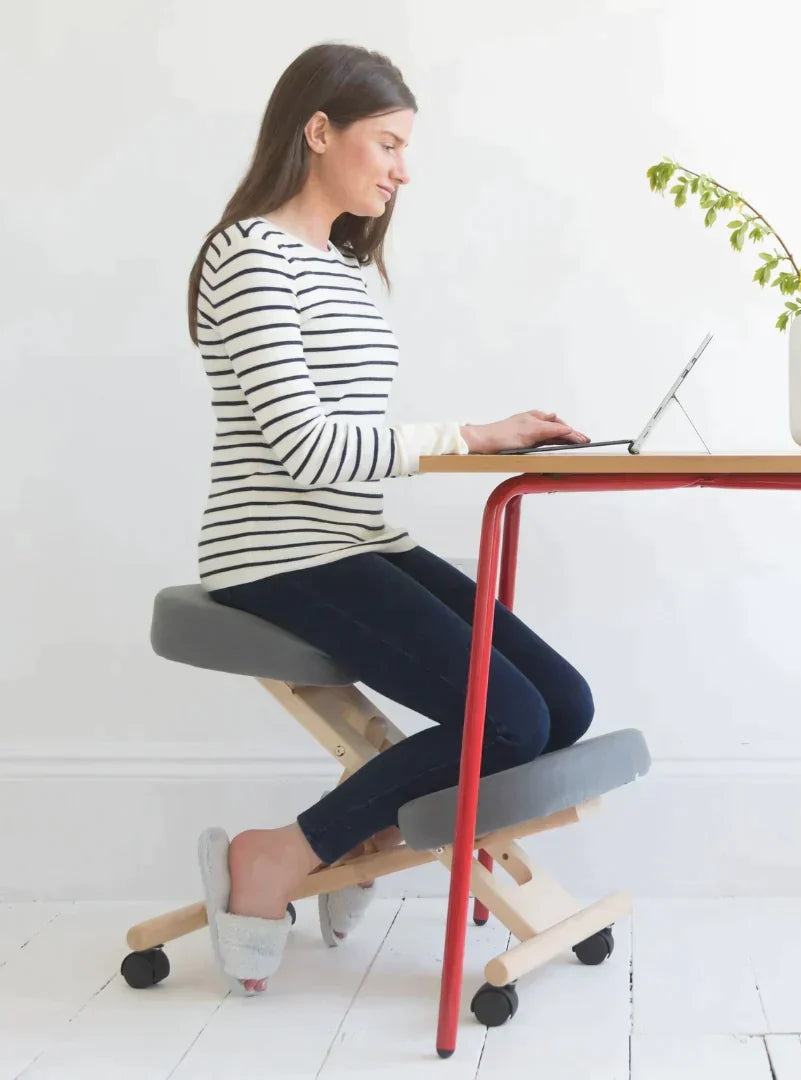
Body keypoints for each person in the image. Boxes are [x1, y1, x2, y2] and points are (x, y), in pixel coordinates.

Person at [186, 42, 595, 994]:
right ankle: (279, 854)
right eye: (389, 143)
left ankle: (362, 826)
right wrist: (474, 435)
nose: (403, 170)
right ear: (318, 130)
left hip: (359, 536)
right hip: (276, 549)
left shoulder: (341, 264)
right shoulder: (249, 255)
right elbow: (306, 448)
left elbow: (358, 435)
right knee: (508, 718)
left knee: (562, 707)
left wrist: (492, 437)